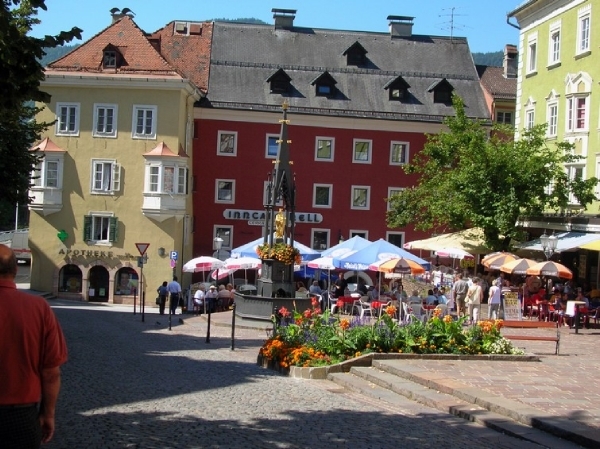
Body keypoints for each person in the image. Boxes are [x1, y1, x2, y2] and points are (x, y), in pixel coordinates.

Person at [0, 244, 68, 447]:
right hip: (19, 416)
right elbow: (50, 373)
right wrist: (48, 414)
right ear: (15, 271)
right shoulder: (39, 308)